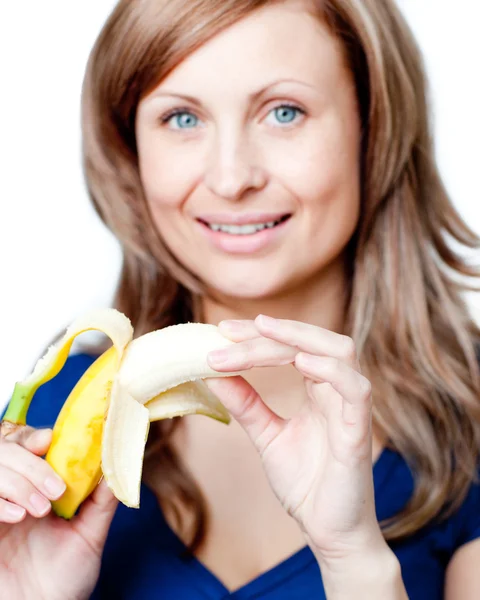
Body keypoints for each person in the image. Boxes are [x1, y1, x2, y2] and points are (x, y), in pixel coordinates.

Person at [1, 0, 479, 597]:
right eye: (181, 119)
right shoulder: (50, 418)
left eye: (284, 112)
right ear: (131, 152)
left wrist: (354, 560)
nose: (231, 179)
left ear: (373, 129)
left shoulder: (471, 417)